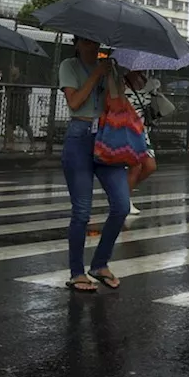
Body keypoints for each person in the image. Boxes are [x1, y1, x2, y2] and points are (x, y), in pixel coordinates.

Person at [59, 37, 131, 292]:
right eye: (87, 42)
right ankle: (76, 272)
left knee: (122, 205)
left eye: (95, 42)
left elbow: (119, 103)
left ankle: (100, 264)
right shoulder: (69, 65)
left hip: (107, 137)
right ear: (77, 44)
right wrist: (96, 75)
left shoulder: (109, 67)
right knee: (81, 210)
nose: (93, 46)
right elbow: (74, 102)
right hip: (79, 135)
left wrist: (114, 76)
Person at [122, 69, 158, 216]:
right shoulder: (120, 82)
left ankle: (121, 194)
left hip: (143, 131)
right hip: (126, 130)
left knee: (150, 166)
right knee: (135, 167)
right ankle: (124, 201)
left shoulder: (147, 81)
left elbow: (152, 104)